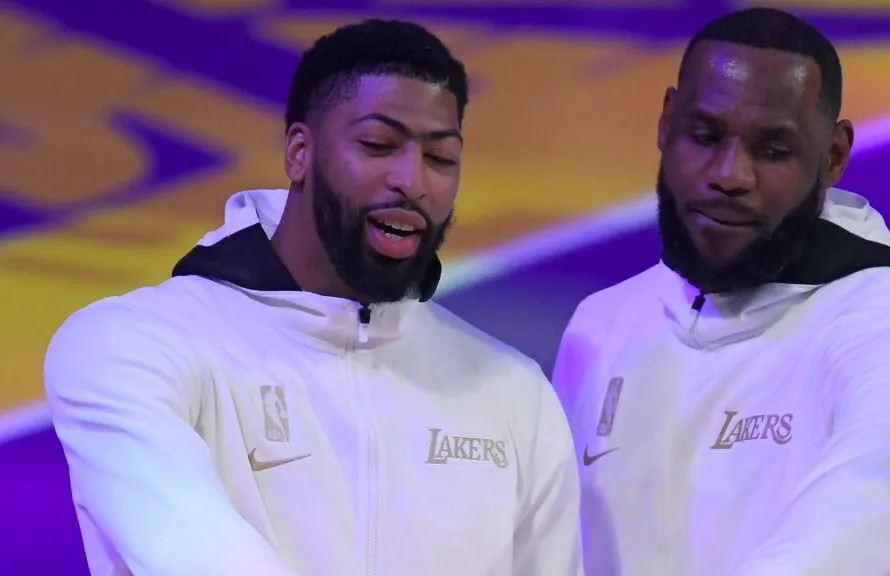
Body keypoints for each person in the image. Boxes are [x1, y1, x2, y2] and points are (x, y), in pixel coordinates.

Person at [44, 19, 581, 576]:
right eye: (379, 145)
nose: (413, 181)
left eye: (441, 158)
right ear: (299, 152)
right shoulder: (129, 343)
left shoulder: (513, 392)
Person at [552, 7, 890, 576]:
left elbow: (846, 542)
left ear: (833, 156)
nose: (730, 173)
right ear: (665, 122)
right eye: (704, 136)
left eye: (773, 150)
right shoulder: (601, 323)